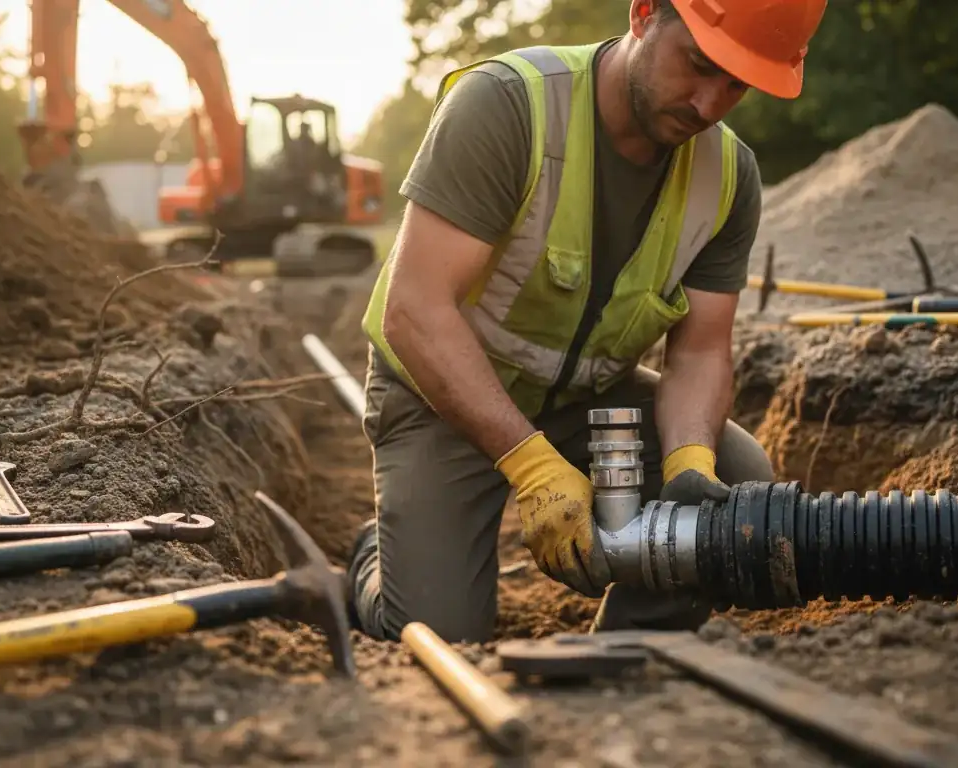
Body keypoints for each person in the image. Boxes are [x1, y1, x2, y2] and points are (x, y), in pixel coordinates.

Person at [347, 0, 828, 643]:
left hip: (587, 403)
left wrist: (689, 463)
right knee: (437, 637)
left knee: (735, 481)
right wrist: (534, 467)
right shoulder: (507, 106)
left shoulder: (728, 175)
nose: (710, 105)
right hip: (443, 392)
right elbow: (416, 309)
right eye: (699, 63)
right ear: (643, 13)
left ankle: (627, 643)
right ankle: (376, 561)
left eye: (736, 84)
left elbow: (700, 353)